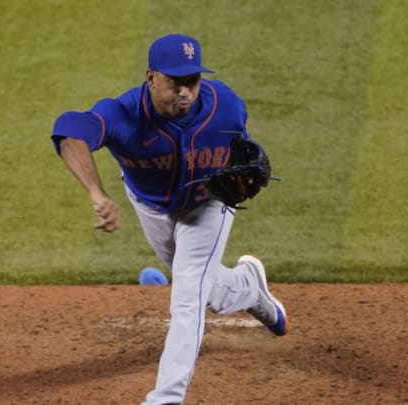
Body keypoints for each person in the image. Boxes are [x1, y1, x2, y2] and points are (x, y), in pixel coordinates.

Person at [51, 33, 288, 405]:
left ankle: (165, 398)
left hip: (208, 205)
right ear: (151, 78)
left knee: (188, 292)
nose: (185, 91)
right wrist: (96, 193)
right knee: (207, 292)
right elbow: (69, 131)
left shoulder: (226, 105)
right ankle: (249, 286)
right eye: (174, 82)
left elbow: (245, 156)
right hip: (151, 206)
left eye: (191, 81)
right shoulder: (124, 114)